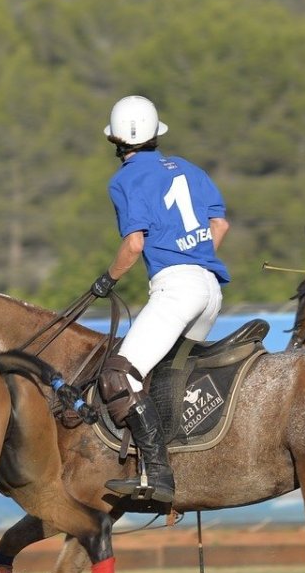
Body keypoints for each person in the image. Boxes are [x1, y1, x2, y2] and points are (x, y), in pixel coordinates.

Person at [89, 95, 230, 504]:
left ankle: (159, 476)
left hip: (177, 290)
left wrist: (108, 279)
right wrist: (198, 255)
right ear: (156, 134)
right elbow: (219, 223)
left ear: (116, 141)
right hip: (209, 289)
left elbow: (134, 244)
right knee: (167, 378)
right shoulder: (189, 168)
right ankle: (187, 458)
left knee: (120, 376)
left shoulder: (124, 180)